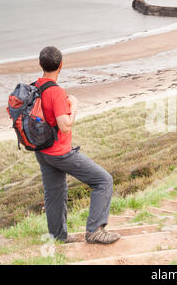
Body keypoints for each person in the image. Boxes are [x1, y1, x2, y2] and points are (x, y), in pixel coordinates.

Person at [34, 46, 120, 244]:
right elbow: (65, 125)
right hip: (60, 152)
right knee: (103, 181)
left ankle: (57, 238)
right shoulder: (56, 92)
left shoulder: (36, 86)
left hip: (42, 151)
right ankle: (95, 231)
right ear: (61, 66)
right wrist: (74, 106)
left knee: (54, 194)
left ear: (41, 65)